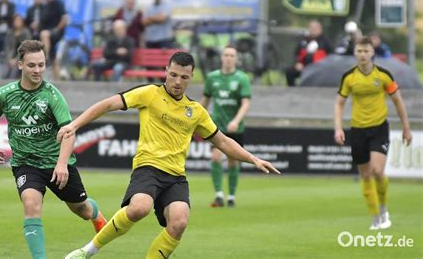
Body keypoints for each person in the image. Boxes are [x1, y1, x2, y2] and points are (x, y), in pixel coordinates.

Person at [61, 52, 280, 258]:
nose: (177, 81)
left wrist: (253, 158)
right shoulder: (149, 94)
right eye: (173, 74)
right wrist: (75, 124)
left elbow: (222, 141)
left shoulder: (195, 111)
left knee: (179, 221)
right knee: (139, 208)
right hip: (148, 167)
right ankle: (87, 252)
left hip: (175, 176)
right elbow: (109, 104)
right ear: (166, 70)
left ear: (191, 77)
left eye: (184, 77)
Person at [0, 40, 107, 258]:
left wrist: (61, 164)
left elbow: (68, 131)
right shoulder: (4, 94)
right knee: (31, 205)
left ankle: (96, 214)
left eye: (41, 65)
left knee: (81, 209)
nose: (38, 70)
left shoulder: (52, 95)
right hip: (25, 163)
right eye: (32, 65)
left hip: (56, 163)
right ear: (20, 64)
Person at [334, 36, 412, 230]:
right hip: (358, 130)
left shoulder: (384, 75)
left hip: (379, 128)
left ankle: (384, 208)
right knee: (366, 176)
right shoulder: (349, 77)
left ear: (372, 53)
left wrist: (406, 127)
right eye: (359, 51)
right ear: (355, 53)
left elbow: (398, 101)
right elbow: (340, 103)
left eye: (366, 51)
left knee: (377, 171)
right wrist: (338, 127)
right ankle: (375, 216)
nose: (362, 54)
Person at [200, 45, 251, 208]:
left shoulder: (242, 78)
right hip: (217, 126)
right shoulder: (212, 78)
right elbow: (205, 102)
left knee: (233, 161)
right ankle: (219, 195)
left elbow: (245, 104)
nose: (228, 58)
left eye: (232, 55)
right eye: (226, 55)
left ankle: (231, 196)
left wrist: (236, 120)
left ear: (236, 59)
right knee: (215, 157)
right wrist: (196, 117)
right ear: (221, 58)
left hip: (235, 128)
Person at [285, 20, 332, 86]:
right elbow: (297, 54)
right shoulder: (304, 41)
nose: (314, 30)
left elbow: (331, 57)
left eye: (316, 28)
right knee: (289, 71)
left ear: (320, 29)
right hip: (305, 66)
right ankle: (292, 90)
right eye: (312, 28)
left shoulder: (325, 42)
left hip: (319, 68)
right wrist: (298, 63)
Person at [39, 0, 68, 80]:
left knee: (44, 34)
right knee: (54, 56)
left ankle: (44, 58)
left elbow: (65, 18)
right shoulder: (44, 7)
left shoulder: (58, 3)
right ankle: (58, 80)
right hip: (47, 34)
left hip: (56, 31)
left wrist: (57, 29)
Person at [3, 14, 32, 79]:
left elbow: (26, 48)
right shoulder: (10, 32)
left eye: (19, 20)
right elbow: (7, 47)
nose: (17, 22)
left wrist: (16, 59)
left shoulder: (26, 32)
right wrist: (9, 59)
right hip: (10, 56)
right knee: (6, 67)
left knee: (17, 67)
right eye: (15, 20)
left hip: (22, 56)